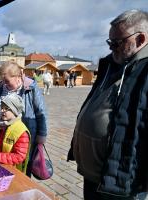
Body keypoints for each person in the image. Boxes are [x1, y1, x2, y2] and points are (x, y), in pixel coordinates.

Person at [67, 10, 148, 200]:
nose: (111, 48)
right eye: (109, 42)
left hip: (122, 181)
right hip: (94, 174)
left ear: (141, 39)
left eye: (117, 43)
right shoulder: (110, 64)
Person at [0, 61, 48, 177]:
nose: (5, 84)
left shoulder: (30, 87)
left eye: (7, 81)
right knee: (4, 161)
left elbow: (40, 111)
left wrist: (42, 133)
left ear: (18, 77)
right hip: (4, 133)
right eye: (3, 80)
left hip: (24, 135)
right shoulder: (1, 88)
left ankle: (23, 185)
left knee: (23, 163)